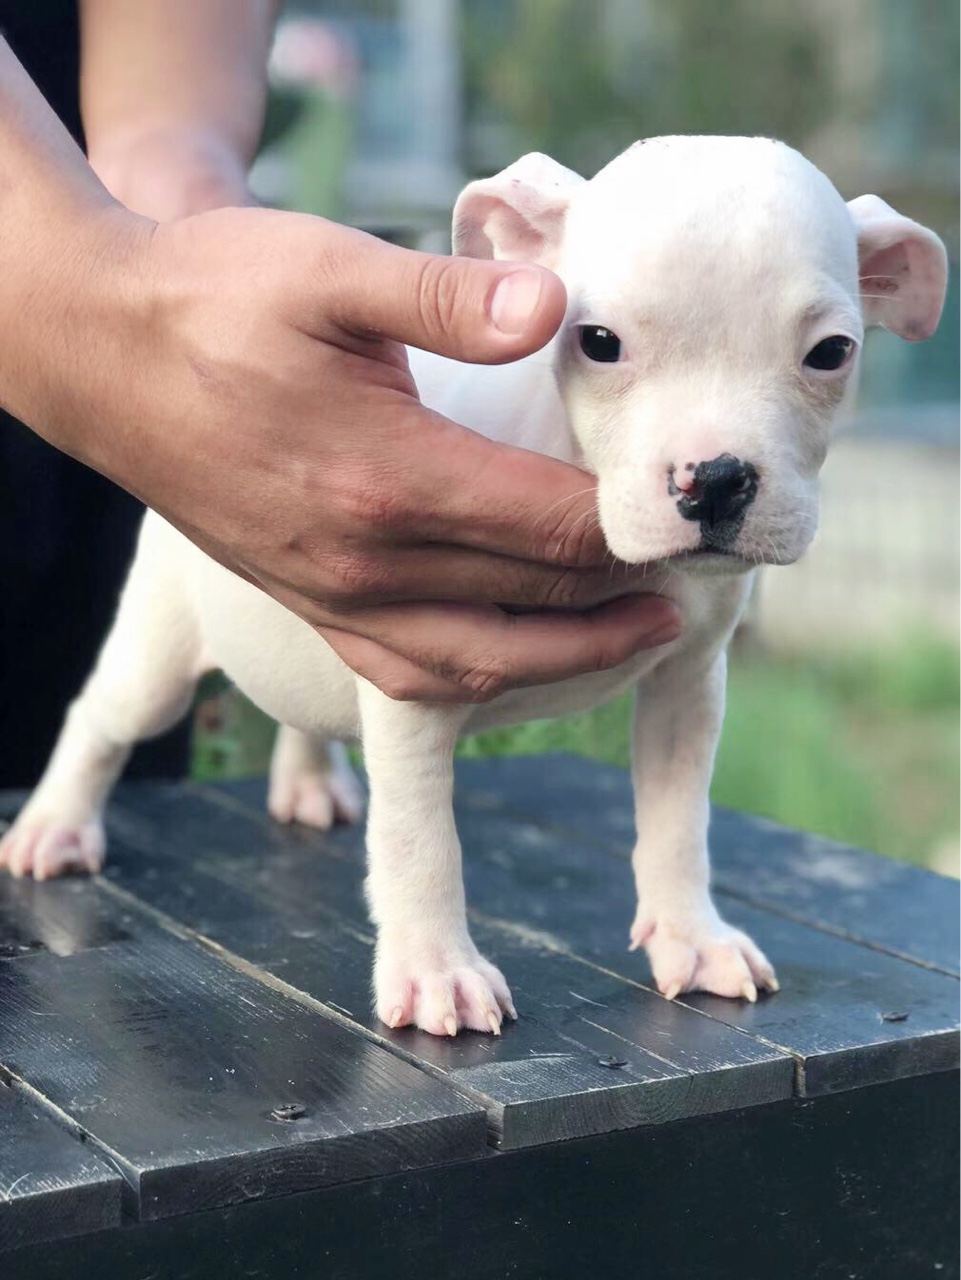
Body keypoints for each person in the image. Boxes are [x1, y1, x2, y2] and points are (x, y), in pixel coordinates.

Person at [0, 1, 679, 788]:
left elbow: (161, 114)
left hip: (115, 417)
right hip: (70, 309)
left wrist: (195, 273)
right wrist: (89, 288)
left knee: (110, 854)